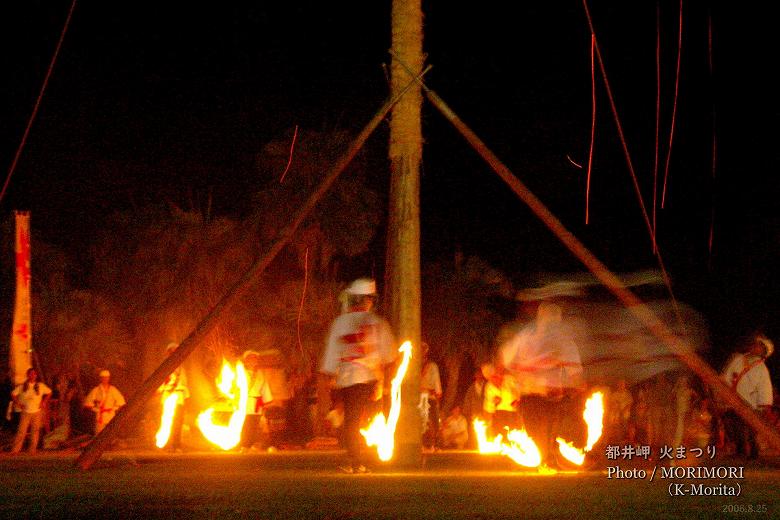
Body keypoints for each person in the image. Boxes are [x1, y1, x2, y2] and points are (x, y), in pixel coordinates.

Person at [320, 278, 396, 474]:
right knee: (361, 420)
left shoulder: (340, 322)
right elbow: (388, 356)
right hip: (369, 379)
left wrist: (329, 375)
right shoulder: (377, 322)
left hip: (347, 378)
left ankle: (356, 460)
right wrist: (384, 380)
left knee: (353, 420)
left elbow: (331, 353)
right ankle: (358, 460)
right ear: (368, 300)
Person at [499, 300, 585, 467]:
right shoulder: (558, 340)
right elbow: (575, 370)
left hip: (538, 394)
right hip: (541, 394)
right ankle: (545, 459)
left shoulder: (527, 337)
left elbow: (505, 358)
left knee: (542, 428)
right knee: (546, 428)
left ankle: (545, 459)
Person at [720, 332, 774, 459]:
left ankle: (753, 452)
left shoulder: (761, 368)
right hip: (734, 400)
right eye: (755, 345)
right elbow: (726, 377)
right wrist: (724, 392)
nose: (755, 347)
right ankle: (739, 450)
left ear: (763, 352)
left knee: (750, 430)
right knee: (734, 426)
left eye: (759, 346)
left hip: (751, 403)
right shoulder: (737, 359)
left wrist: (763, 404)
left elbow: (764, 387)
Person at [10, 368, 51, 454]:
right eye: (31, 374)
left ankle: (32, 450)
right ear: (28, 375)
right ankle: (15, 450)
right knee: (21, 431)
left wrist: (44, 402)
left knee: (35, 431)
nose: (32, 375)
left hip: (37, 411)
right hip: (26, 412)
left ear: (36, 376)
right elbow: (13, 394)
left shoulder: (40, 385)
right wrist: (18, 403)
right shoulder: (22, 386)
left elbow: (49, 392)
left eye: (34, 374)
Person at [158, 342, 190, 452]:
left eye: (176, 351)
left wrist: (186, 397)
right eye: (172, 351)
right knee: (167, 421)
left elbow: (185, 384)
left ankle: (177, 445)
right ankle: (167, 445)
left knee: (178, 422)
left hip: (179, 397)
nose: (174, 353)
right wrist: (163, 389)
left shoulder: (181, 368)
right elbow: (160, 383)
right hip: (168, 396)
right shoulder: (164, 366)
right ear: (168, 353)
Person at [240, 350, 274, 452]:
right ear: (245, 361)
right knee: (244, 424)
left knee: (255, 424)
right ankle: (244, 444)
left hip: (256, 402)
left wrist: (267, 402)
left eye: (255, 359)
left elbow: (264, 388)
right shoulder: (240, 372)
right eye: (250, 359)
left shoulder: (260, 374)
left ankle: (253, 444)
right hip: (244, 401)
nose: (253, 361)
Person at [83, 369, 126, 435]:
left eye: (106, 377)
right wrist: (96, 409)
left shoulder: (113, 390)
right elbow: (88, 403)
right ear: (100, 379)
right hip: (100, 417)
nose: (105, 379)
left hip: (110, 416)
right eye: (103, 378)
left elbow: (121, 402)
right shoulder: (96, 390)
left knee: (110, 434)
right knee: (99, 435)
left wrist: (114, 408)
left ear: (109, 378)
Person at [420, 342, 443, 451]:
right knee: (422, 422)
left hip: (430, 397)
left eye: (423, 350)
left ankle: (435, 444)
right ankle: (424, 444)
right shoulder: (412, 365)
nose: (421, 352)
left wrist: (437, 394)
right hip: (418, 398)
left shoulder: (432, 366)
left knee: (434, 422)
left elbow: (436, 383)